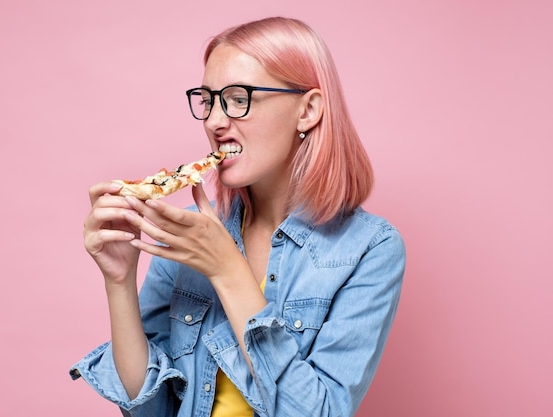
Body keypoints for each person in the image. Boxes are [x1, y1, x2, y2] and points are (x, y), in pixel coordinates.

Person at [70, 16, 405, 417]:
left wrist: (227, 269)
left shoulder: (369, 248)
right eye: (208, 100)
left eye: (238, 98)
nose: (214, 121)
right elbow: (150, 410)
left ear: (308, 110)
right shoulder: (187, 232)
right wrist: (119, 281)